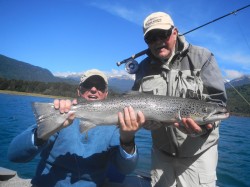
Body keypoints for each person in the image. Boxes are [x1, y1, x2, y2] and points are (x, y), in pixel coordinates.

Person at [128, 12, 227, 187]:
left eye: (163, 34)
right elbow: (136, 103)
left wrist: (203, 128)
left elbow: (218, 105)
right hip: (161, 154)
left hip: (198, 155)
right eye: (151, 38)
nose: (157, 41)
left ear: (175, 32)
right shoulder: (143, 68)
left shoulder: (202, 57)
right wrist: (145, 123)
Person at [8, 69, 145, 187]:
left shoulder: (116, 126)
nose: (93, 89)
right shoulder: (60, 113)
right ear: (79, 91)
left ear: (106, 94)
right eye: (88, 85)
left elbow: (126, 169)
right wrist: (42, 134)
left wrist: (128, 140)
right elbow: (14, 155)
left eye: (100, 86)